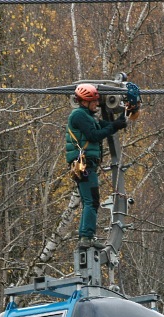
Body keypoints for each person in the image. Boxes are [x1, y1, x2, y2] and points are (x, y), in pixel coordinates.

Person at [65, 83, 127, 249]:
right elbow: (94, 135)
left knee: (90, 200)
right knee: (91, 200)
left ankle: (86, 235)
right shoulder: (79, 115)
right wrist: (113, 126)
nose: (97, 104)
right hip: (83, 165)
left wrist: (118, 123)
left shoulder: (87, 116)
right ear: (84, 101)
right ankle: (86, 237)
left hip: (88, 165)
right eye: (93, 101)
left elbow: (102, 126)